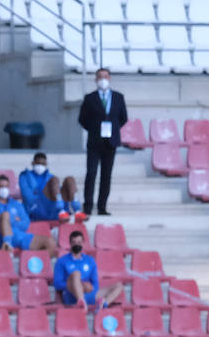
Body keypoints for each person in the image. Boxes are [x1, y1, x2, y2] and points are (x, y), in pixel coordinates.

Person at [78, 68, 127, 216]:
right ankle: (88, 206)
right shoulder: (89, 98)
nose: (103, 79)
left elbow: (123, 118)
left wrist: (113, 129)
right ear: (96, 79)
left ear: (109, 78)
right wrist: (94, 129)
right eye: (100, 77)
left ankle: (102, 206)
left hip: (110, 142)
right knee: (91, 174)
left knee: (106, 175)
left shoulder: (118, 97)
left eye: (105, 76)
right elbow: (83, 119)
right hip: (94, 141)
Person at [0, 174, 58, 257]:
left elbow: (26, 224)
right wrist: (13, 219)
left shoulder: (16, 204)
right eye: (1, 186)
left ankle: (41, 268)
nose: (4, 189)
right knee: (5, 215)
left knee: (50, 242)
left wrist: (5, 220)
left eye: (6, 186)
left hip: (18, 236)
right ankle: (7, 243)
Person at [53, 229, 122, 308]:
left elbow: (95, 284)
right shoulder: (62, 261)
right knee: (76, 274)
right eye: (74, 242)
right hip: (71, 294)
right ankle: (81, 301)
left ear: (83, 243)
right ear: (70, 244)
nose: (76, 245)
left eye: (79, 242)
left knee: (118, 286)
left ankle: (104, 304)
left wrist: (90, 288)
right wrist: (79, 285)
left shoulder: (90, 260)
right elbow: (57, 284)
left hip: (89, 293)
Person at [18, 152, 86, 222]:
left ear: (46, 164)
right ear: (33, 163)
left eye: (43, 164)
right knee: (54, 180)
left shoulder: (50, 176)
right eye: (38, 163)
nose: (40, 166)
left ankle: (77, 211)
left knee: (70, 180)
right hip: (35, 207)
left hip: (51, 205)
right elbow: (26, 195)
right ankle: (61, 211)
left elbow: (57, 193)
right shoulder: (25, 176)